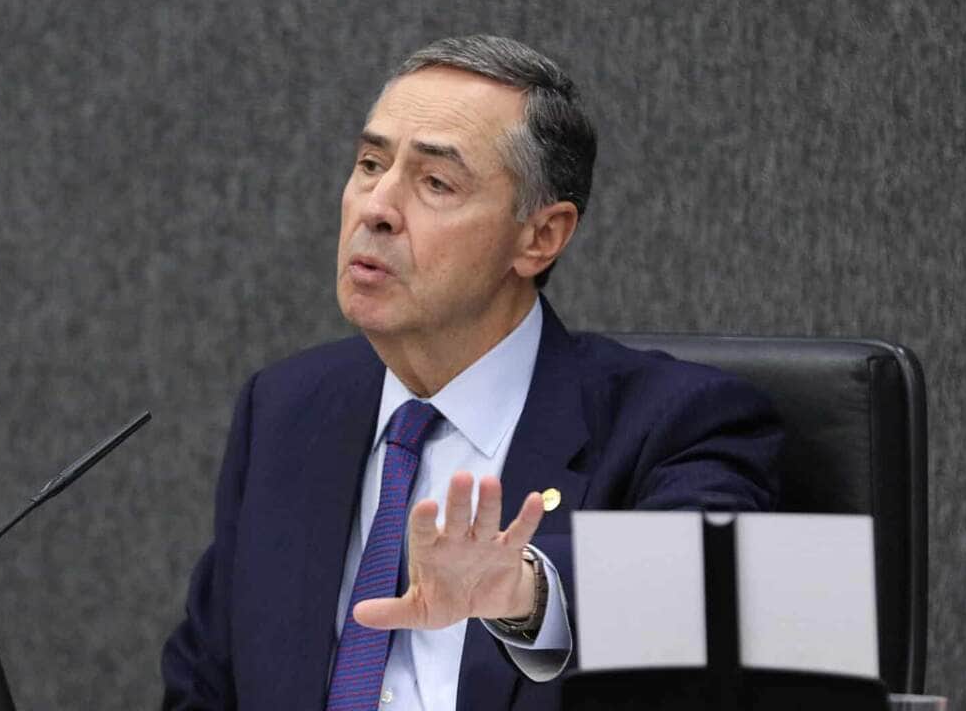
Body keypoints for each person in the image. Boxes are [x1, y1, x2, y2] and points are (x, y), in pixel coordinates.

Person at [161, 35, 782, 711]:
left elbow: (697, 605)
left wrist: (523, 593)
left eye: (436, 183)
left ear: (540, 236)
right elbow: (203, 686)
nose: (376, 208)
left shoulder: (673, 423)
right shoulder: (286, 411)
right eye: (370, 164)